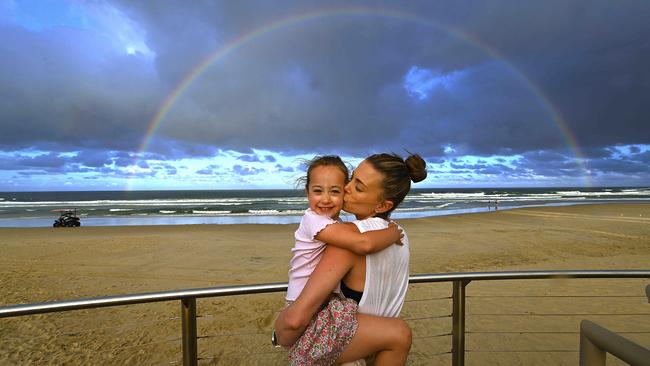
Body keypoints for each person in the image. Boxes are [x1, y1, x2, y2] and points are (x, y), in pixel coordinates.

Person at [275, 153, 427, 366]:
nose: (346, 187)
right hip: (369, 346)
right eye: (352, 178)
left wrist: (280, 335)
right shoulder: (399, 234)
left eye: (358, 186)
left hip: (344, 341)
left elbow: (295, 320)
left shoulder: (349, 239)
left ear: (383, 206)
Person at [285, 155, 403, 304]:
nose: (326, 199)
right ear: (307, 192)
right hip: (301, 300)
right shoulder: (313, 220)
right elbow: (363, 243)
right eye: (317, 191)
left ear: (344, 193)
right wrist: (393, 232)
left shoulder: (335, 223)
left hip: (320, 299)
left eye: (334, 191)